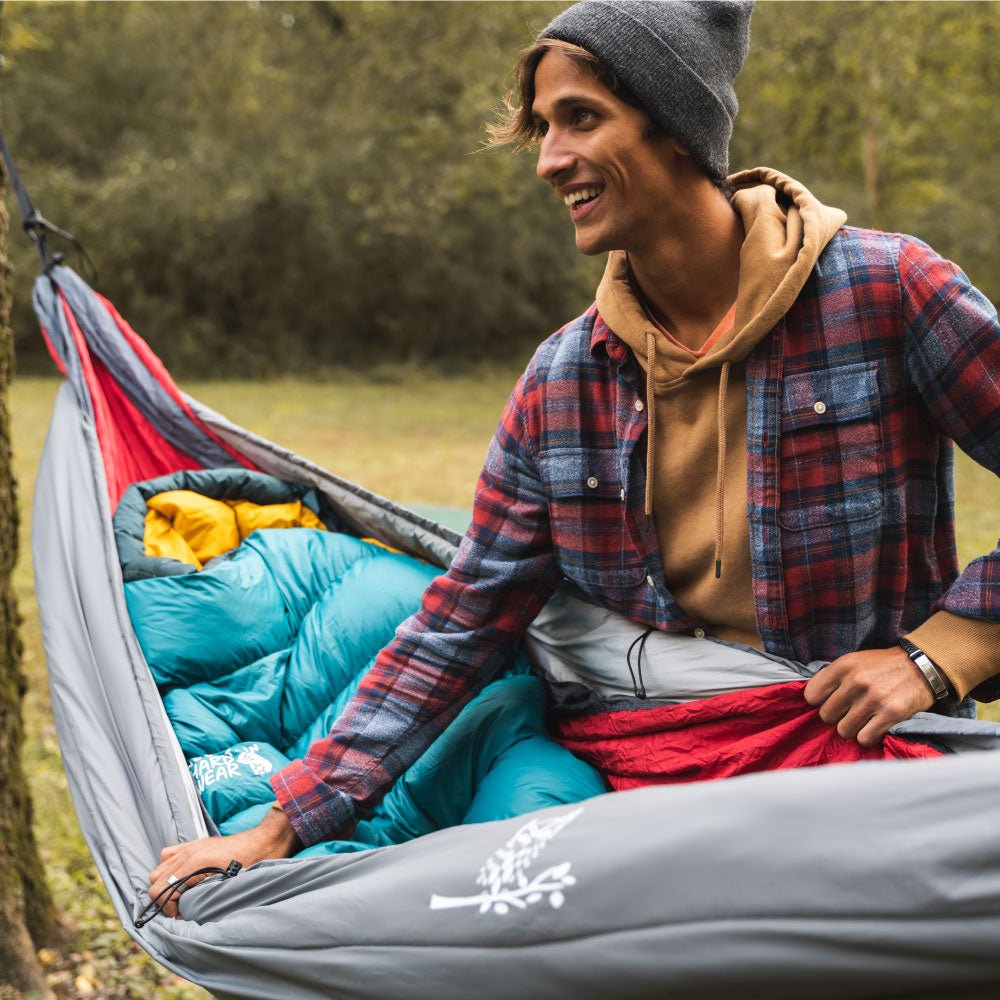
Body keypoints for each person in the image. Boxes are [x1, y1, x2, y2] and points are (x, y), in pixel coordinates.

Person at [150, 0, 1000, 910]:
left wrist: (936, 654)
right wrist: (285, 820)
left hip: (855, 775)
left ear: (675, 125)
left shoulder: (885, 293)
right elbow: (465, 617)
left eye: (582, 119)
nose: (551, 159)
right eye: (545, 128)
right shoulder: (563, 380)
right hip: (643, 768)